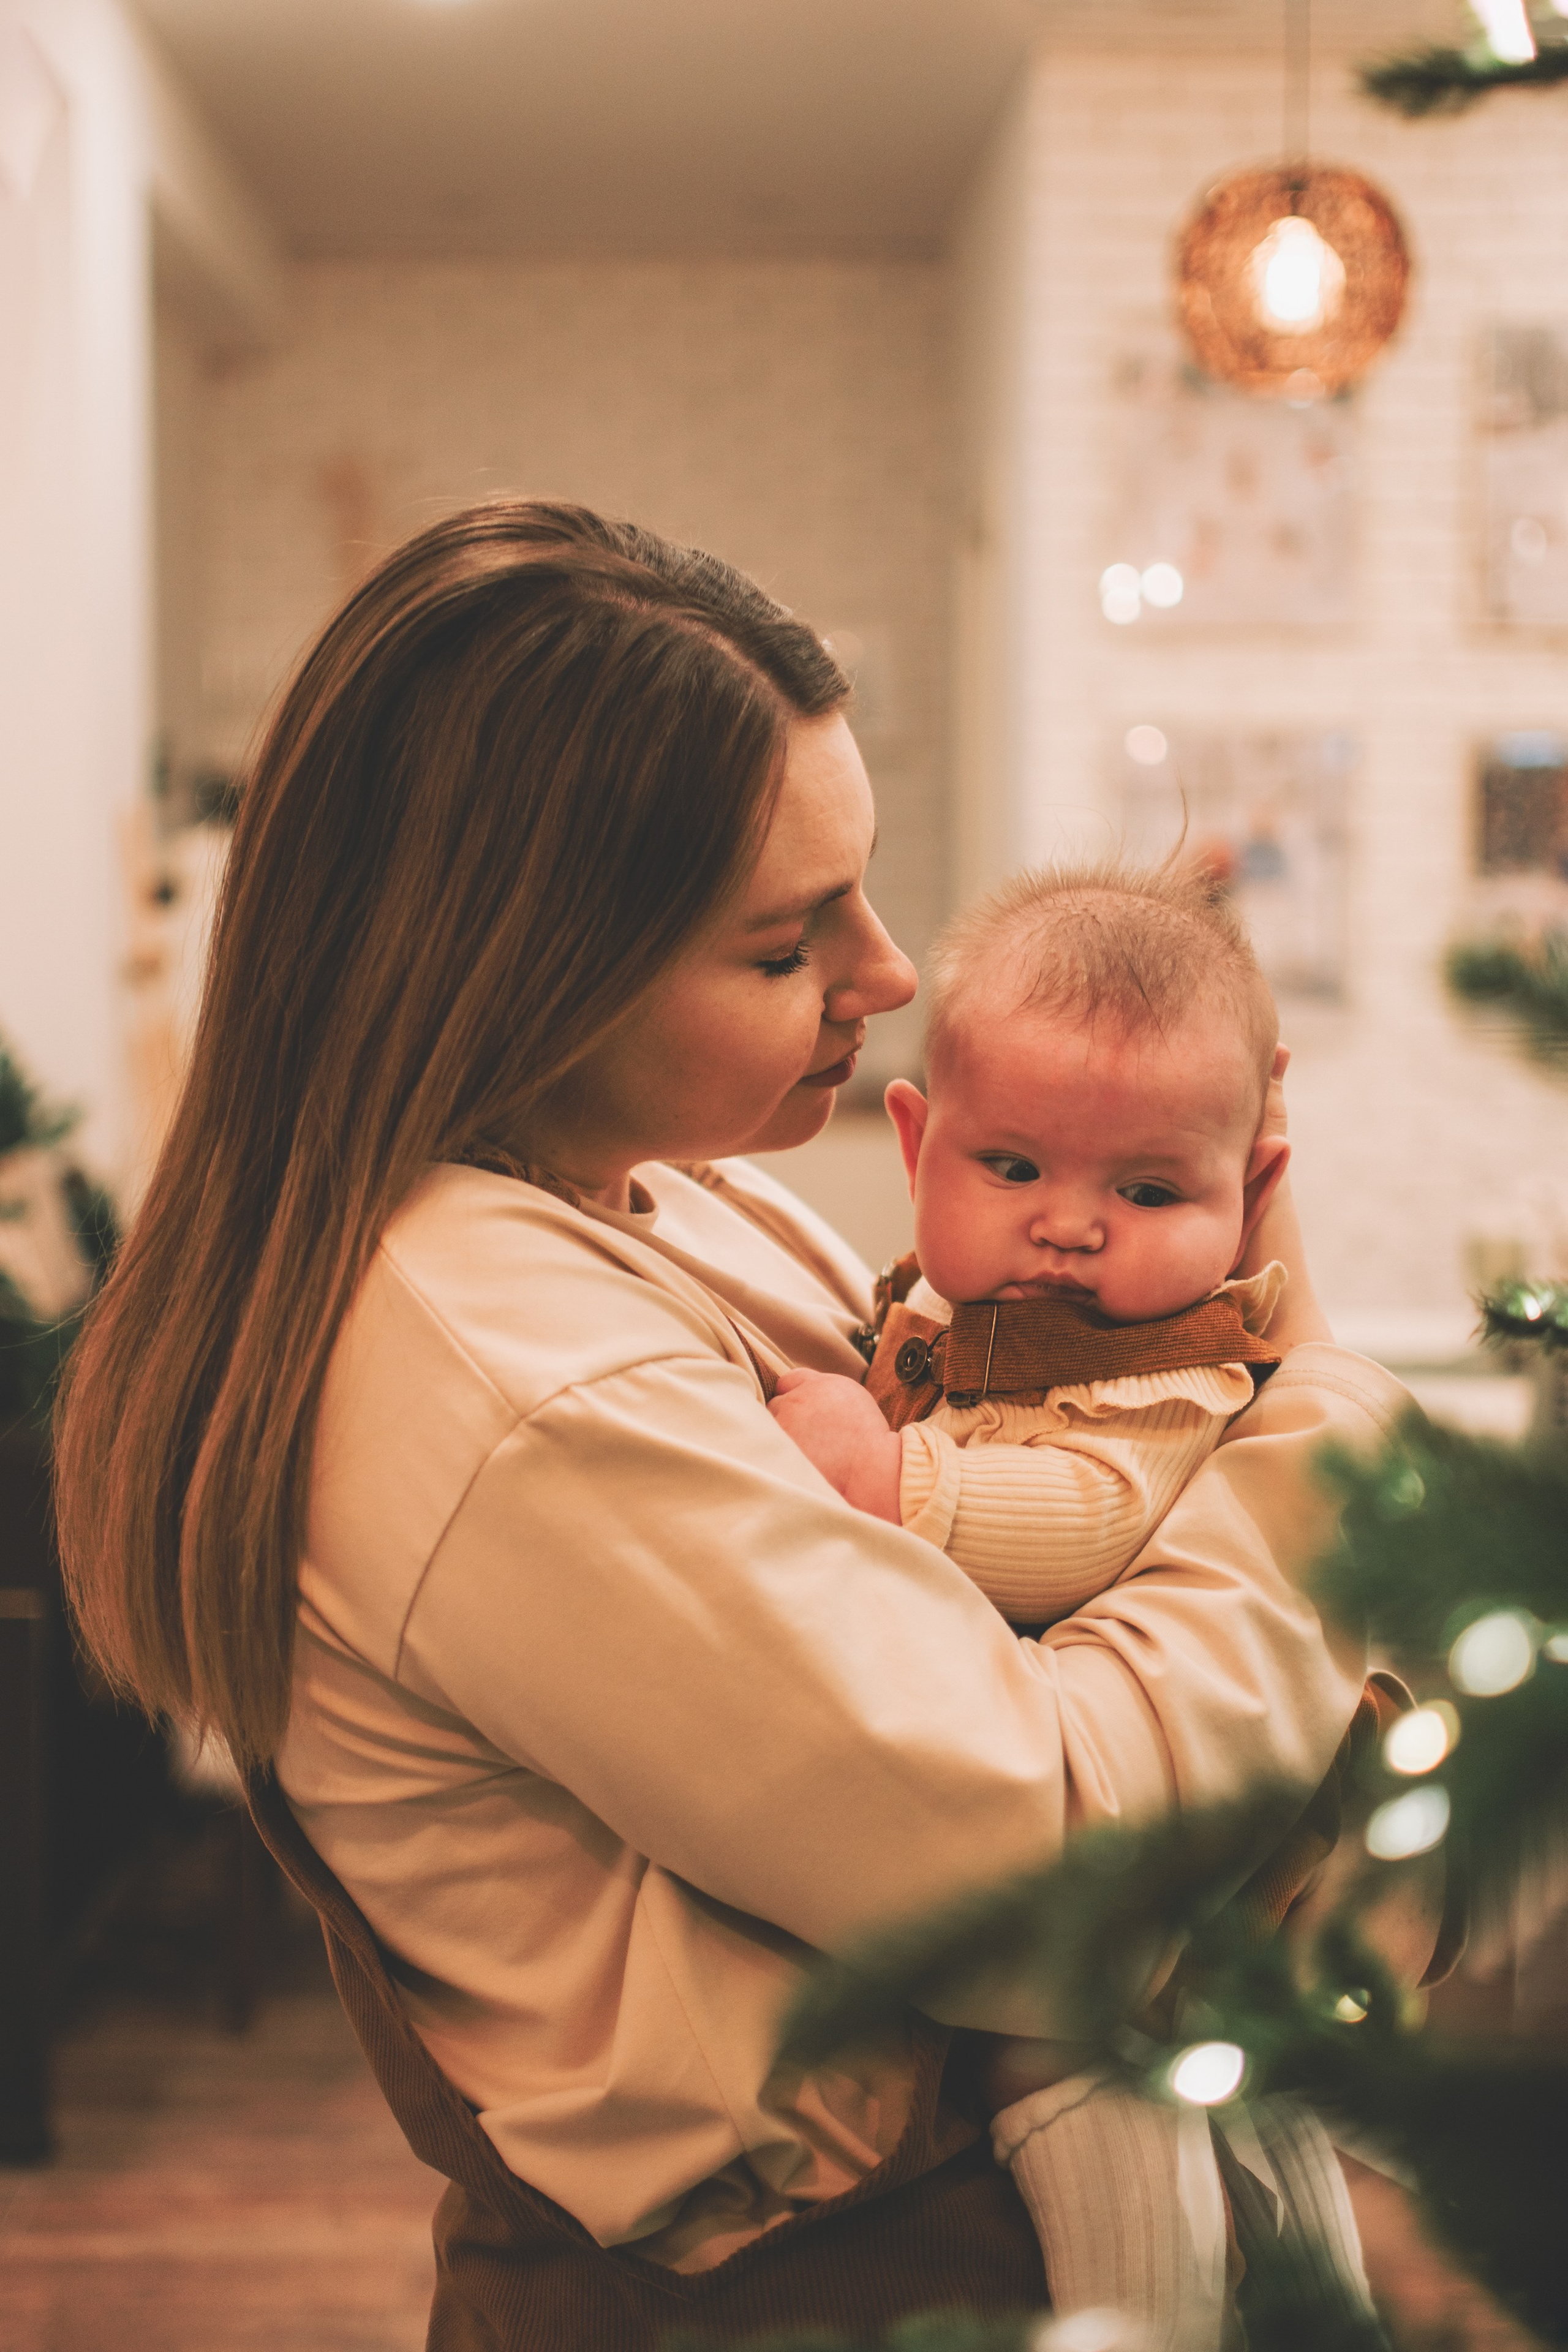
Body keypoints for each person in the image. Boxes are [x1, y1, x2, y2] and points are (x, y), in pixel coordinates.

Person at [54, 500, 1408, 2351]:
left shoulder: (669, 1199)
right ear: (527, 975)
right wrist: (1323, 1420)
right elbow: (1055, 1862)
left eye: (861, 888)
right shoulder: (511, 1375)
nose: (890, 974)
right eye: (785, 944)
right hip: (829, 2286)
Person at [766, 860, 1385, 2347]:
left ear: (1250, 1196)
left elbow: (1082, 1519)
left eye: (1149, 1189)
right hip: (1107, 1793)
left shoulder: (1167, 1362)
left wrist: (890, 1478)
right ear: (918, 1144)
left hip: (1186, 1813)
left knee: (1054, 2063)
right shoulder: (933, 1311)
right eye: (1015, 1168)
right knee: (1229, 2086)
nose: (1070, 1227)